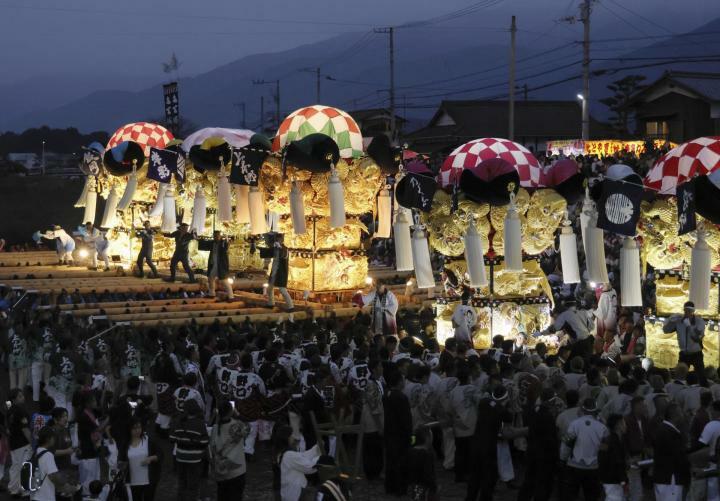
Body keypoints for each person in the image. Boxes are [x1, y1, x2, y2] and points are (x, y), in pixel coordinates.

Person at [561, 399, 607, 501]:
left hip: (574, 466)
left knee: (571, 496)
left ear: (582, 409)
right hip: (593, 468)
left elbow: (566, 443)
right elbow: (605, 448)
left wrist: (563, 458)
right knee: (592, 496)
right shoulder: (602, 427)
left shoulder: (574, 424)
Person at [169, 399, 209, 501]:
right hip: (195, 459)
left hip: (180, 457)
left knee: (181, 482)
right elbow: (205, 442)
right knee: (193, 484)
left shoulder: (178, 421)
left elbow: (172, 439)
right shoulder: (200, 423)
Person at [210, 400, 250, 501]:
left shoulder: (215, 428)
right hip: (237, 470)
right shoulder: (238, 425)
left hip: (221, 471)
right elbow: (248, 426)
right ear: (231, 411)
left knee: (222, 496)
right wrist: (237, 414)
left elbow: (212, 447)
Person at [383, 369, 412, 496]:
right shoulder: (401, 397)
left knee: (390, 461)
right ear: (399, 382)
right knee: (401, 462)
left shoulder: (386, 395)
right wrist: (410, 435)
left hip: (389, 432)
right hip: (400, 435)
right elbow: (406, 419)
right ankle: (401, 488)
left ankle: (390, 486)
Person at [653, 403, 691, 501]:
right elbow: (678, 456)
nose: (683, 416)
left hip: (665, 478)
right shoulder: (669, 432)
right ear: (676, 416)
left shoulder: (663, 429)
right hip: (670, 479)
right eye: (681, 413)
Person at [31, 426, 80, 501]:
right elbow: (53, 476)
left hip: (35, 496)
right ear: (48, 439)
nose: (54, 440)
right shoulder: (48, 455)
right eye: (53, 438)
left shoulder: (36, 452)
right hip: (45, 497)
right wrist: (69, 488)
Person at [119, 417, 162, 501]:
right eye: (134, 428)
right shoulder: (125, 444)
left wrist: (151, 458)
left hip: (149, 481)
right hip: (133, 482)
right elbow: (121, 460)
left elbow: (160, 454)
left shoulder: (148, 440)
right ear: (129, 429)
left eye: (139, 427)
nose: (137, 430)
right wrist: (121, 465)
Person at [664, 300, 705, 373]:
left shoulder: (699, 321)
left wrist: (689, 327)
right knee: (681, 375)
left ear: (693, 311)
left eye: (690, 311)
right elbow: (666, 330)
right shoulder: (679, 321)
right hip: (684, 353)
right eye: (686, 311)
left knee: (700, 374)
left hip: (696, 353)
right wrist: (670, 320)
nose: (687, 313)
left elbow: (697, 339)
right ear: (684, 310)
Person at [361, 359, 384, 480]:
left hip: (375, 420)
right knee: (373, 449)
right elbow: (374, 406)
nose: (382, 368)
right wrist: (379, 425)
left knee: (374, 448)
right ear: (374, 369)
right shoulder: (371, 384)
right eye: (380, 366)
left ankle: (374, 471)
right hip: (372, 422)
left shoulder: (377, 382)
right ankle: (373, 472)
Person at [7, 388, 32, 497]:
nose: (23, 398)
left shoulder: (9, 410)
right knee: (25, 465)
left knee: (15, 466)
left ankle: (14, 489)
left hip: (13, 443)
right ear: (14, 399)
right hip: (23, 443)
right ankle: (25, 491)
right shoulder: (20, 410)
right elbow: (25, 429)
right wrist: (32, 442)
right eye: (20, 396)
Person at [598, 414, 628, 501]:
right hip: (614, 480)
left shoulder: (608, 439)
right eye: (624, 423)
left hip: (607, 479)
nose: (626, 425)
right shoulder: (615, 442)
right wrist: (623, 481)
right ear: (618, 425)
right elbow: (618, 463)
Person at [262, 233, 294, 311]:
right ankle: (271, 303)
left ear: (282, 240)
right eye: (277, 239)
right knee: (270, 288)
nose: (277, 241)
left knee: (282, 290)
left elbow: (283, 255)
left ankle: (290, 306)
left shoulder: (285, 249)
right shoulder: (276, 248)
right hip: (274, 272)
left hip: (281, 272)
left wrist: (279, 248)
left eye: (279, 239)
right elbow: (269, 253)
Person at [199, 230, 233, 300]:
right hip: (214, 264)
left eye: (217, 236)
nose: (216, 237)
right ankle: (212, 293)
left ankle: (231, 296)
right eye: (214, 236)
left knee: (224, 281)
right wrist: (200, 239)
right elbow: (204, 245)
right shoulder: (212, 243)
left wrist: (227, 240)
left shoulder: (223, 243)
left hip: (221, 265)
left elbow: (226, 246)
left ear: (220, 236)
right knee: (211, 278)